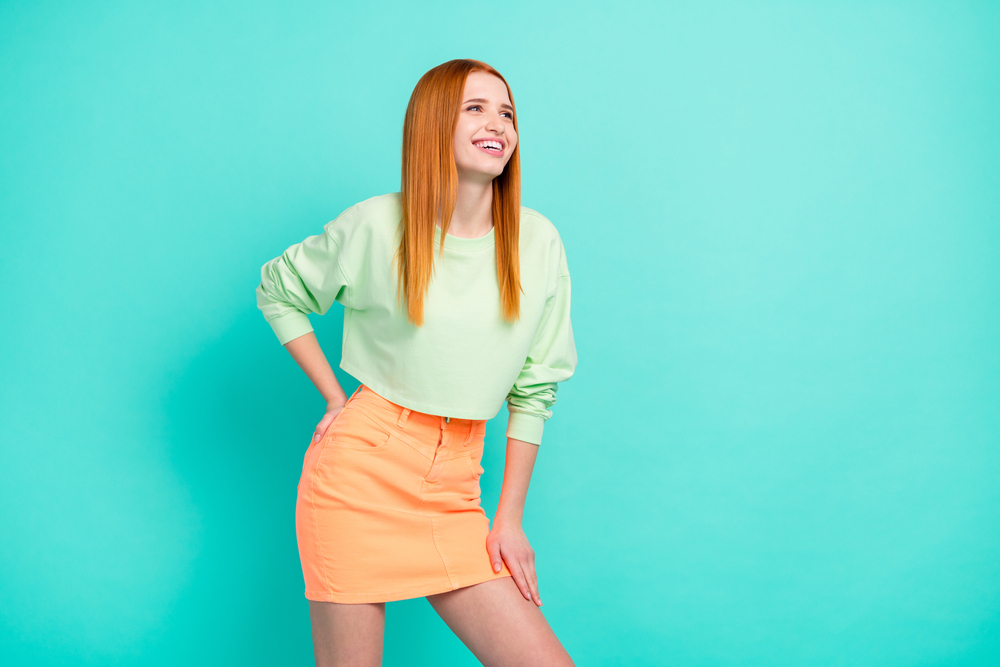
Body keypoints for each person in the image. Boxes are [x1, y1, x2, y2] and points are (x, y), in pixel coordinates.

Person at [255, 59, 578, 667]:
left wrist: (509, 517)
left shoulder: (538, 243)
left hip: (458, 487)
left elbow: (536, 388)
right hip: (359, 478)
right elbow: (279, 288)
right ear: (434, 125)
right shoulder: (377, 224)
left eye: (507, 112)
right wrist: (333, 396)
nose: (498, 124)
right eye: (475, 108)